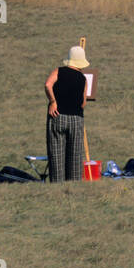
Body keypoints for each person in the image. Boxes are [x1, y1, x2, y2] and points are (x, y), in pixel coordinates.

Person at [44, 44, 90, 183]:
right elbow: (83, 103)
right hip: (76, 120)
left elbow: (48, 85)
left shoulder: (58, 71)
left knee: (57, 155)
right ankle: (74, 187)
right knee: (75, 157)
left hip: (58, 116)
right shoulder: (83, 79)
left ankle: (57, 187)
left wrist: (53, 101)